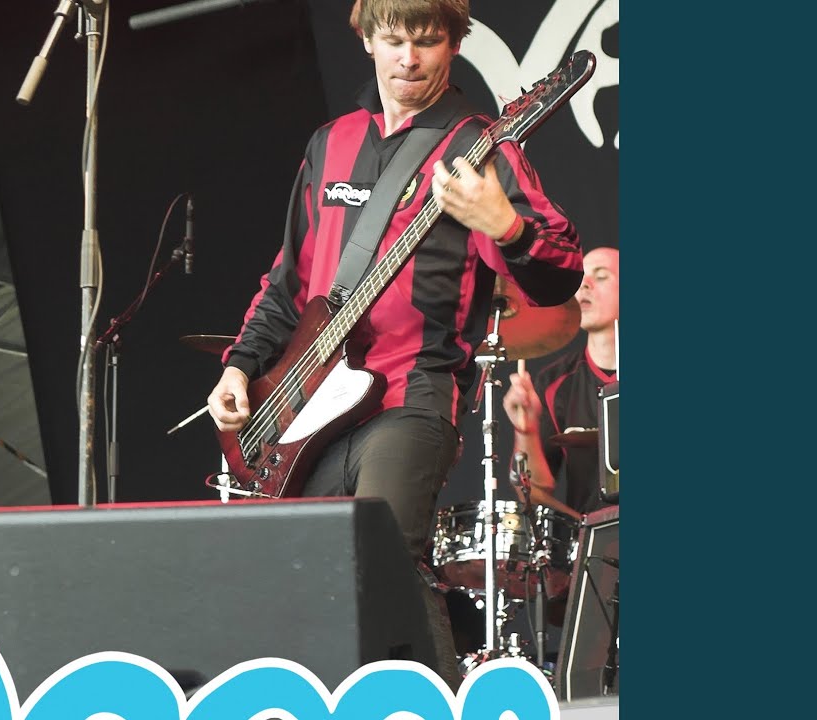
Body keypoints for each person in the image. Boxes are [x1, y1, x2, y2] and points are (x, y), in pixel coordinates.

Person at [205, 0, 583, 685]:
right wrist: (240, 365)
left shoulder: (482, 147)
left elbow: (561, 273)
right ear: (368, 41)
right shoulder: (331, 143)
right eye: (395, 39)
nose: (409, 58)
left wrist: (504, 224)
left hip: (413, 393)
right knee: (309, 577)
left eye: (427, 41)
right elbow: (289, 282)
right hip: (311, 405)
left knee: (386, 555)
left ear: (453, 46)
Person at [503, 246, 619, 521]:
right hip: (594, 542)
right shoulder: (554, 382)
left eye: (601, 276)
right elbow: (533, 491)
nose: (584, 285)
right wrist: (527, 431)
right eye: (582, 277)